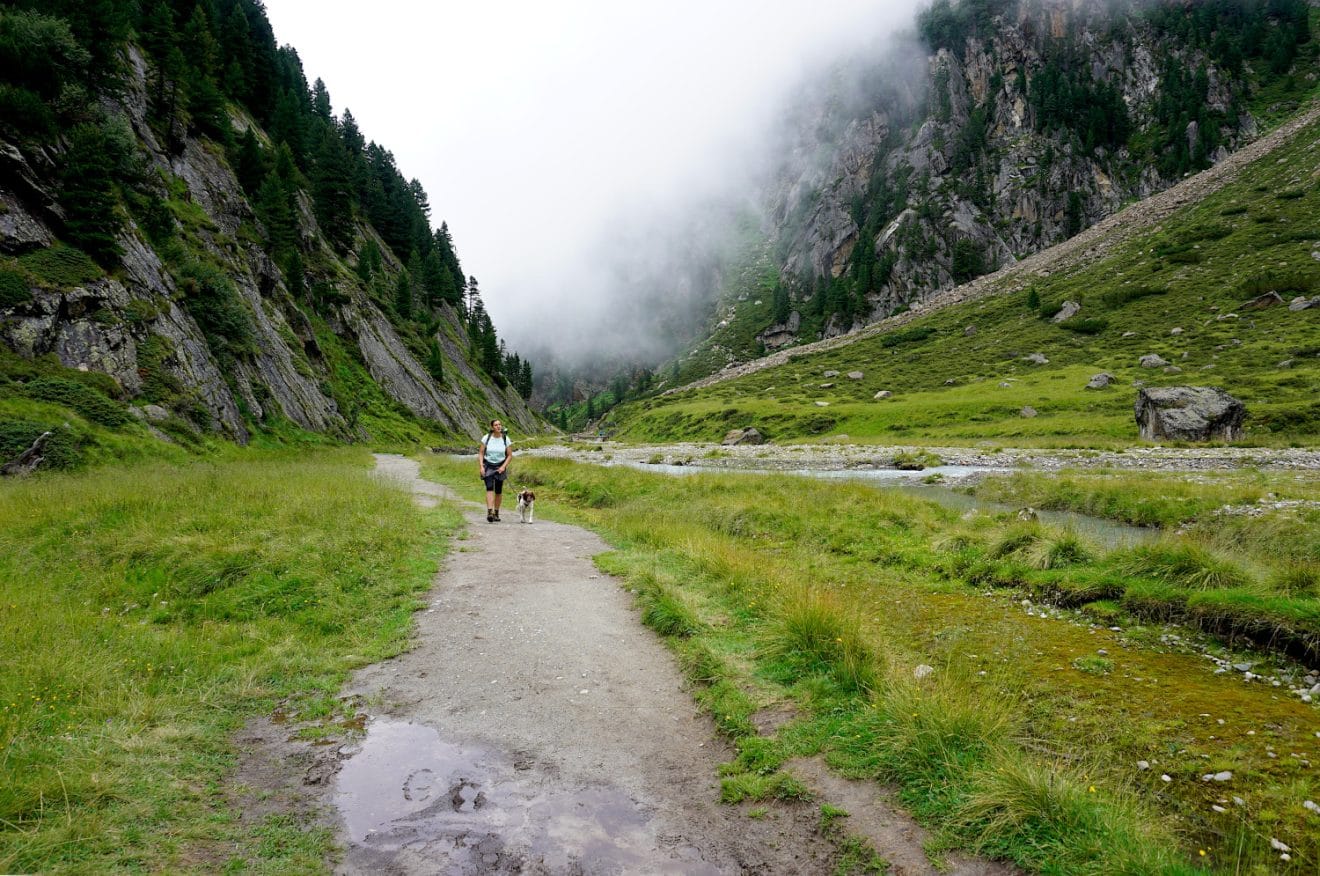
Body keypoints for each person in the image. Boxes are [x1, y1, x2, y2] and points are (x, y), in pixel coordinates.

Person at [479, 419, 512, 522]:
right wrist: (481, 466)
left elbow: (510, 455)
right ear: (492, 427)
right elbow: (481, 453)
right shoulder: (486, 438)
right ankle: (490, 512)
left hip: (500, 466)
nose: (498, 426)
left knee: (498, 490)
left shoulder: (506, 439)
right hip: (488, 465)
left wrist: (503, 467)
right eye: (496, 425)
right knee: (489, 488)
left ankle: (496, 513)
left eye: (499, 424)